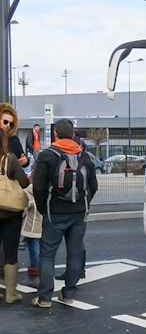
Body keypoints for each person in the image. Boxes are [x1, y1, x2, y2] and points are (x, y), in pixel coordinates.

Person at [32, 119, 98, 308]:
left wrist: (43, 209)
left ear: (56, 134)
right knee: (75, 253)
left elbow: (38, 187)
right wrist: (84, 204)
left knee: (47, 255)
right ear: (73, 134)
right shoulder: (85, 157)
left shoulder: (47, 156)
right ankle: (68, 294)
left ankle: (45, 298)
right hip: (79, 213)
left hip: (54, 212)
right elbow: (93, 186)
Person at [0, 128, 30, 303]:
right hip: (10, 214)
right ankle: (11, 294)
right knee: (11, 252)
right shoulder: (10, 159)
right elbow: (24, 182)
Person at [21, 172, 42, 278]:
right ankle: (42, 267)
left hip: (32, 225)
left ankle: (35, 267)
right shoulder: (45, 189)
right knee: (42, 247)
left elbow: (24, 208)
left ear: (31, 179)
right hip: (44, 225)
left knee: (34, 248)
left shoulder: (28, 191)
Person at [0, 102, 29, 168]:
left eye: (11, 124)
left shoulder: (14, 140)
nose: (8, 126)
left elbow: (22, 157)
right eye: (5, 122)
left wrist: (25, 161)